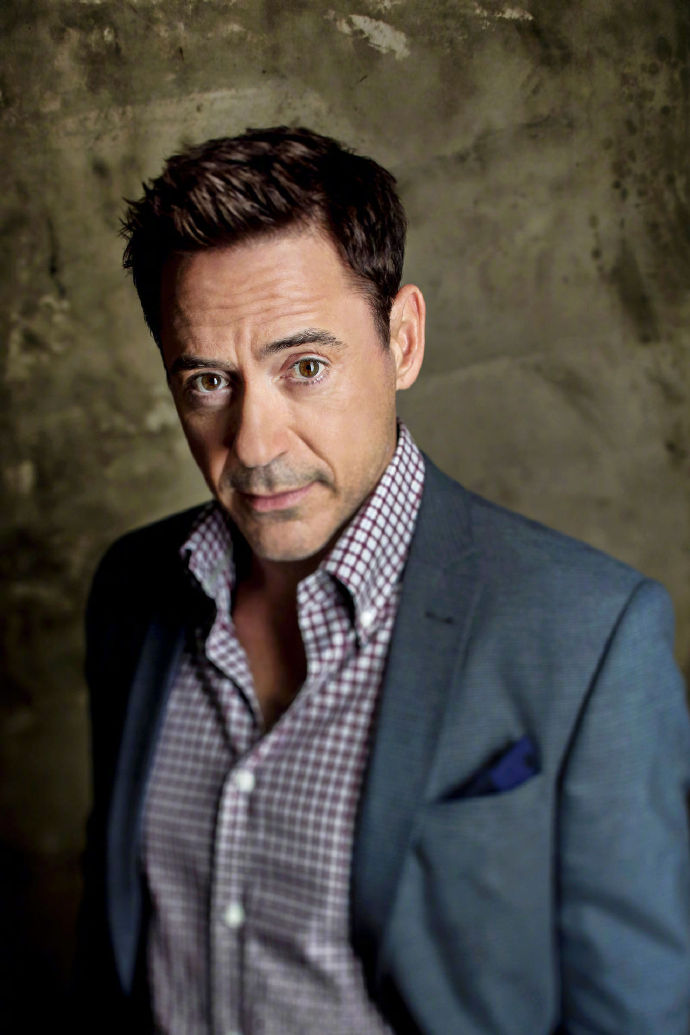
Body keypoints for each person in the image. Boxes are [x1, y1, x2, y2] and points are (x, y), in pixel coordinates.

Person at [75, 126, 690, 1035]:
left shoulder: (591, 635)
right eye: (207, 380)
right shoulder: (134, 589)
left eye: (305, 366)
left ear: (402, 339)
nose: (254, 443)